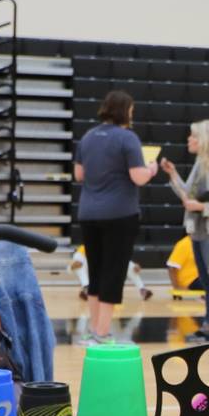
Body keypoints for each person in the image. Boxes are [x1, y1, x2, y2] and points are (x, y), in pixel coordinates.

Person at [75, 89, 155, 344]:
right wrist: (151, 169)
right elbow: (138, 177)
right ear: (124, 111)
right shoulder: (127, 138)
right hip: (120, 215)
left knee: (96, 272)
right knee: (114, 273)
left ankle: (93, 330)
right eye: (131, 110)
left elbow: (79, 175)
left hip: (88, 213)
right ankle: (102, 332)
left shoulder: (87, 137)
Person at [160, 119, 209, 342]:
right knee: (206, 280)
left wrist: (201, 207)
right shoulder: (200, 164)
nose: (189, 139)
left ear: (205, 139)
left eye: (193, 136)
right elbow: (187, 194)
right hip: (199, 232)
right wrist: (173, 174)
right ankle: (208, 324)